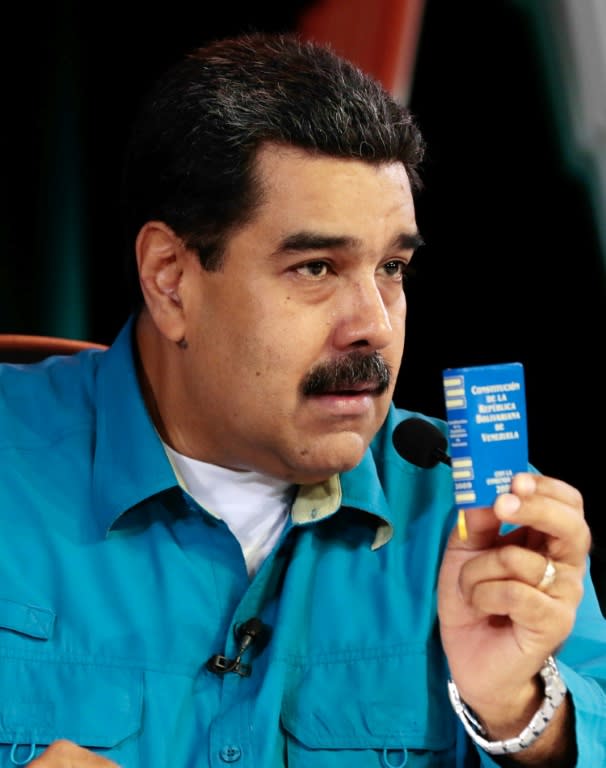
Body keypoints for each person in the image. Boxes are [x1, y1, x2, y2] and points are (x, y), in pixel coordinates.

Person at [0, 32, 604, 768]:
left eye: (391, 268)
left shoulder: (472, 515)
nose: (374, 327)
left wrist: (519, 716)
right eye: (317, 267)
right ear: (170, 279)